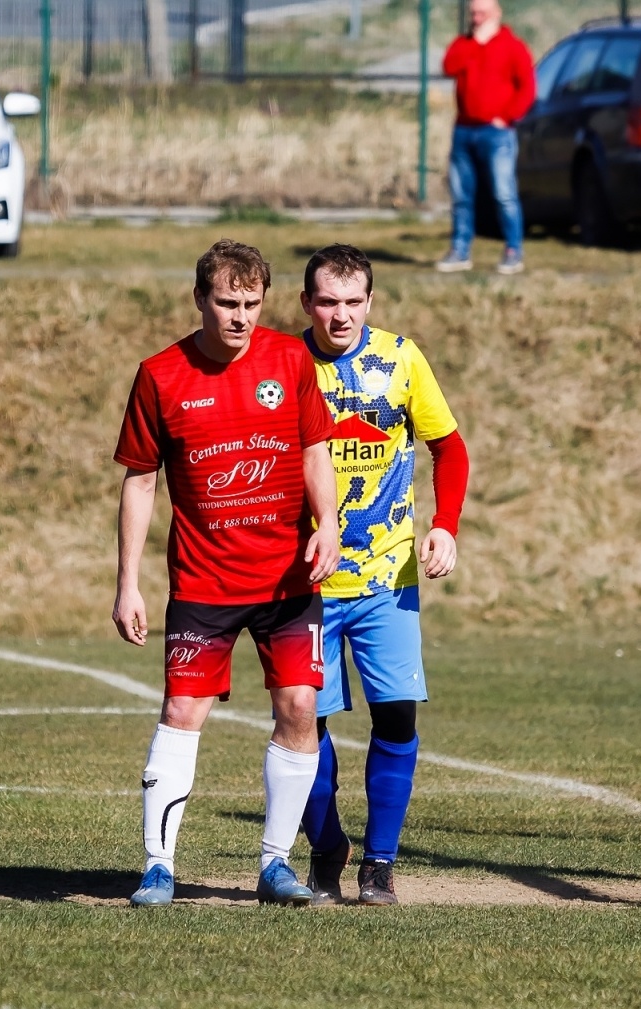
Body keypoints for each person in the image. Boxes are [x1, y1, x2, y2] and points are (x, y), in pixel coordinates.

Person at [112, 238, 340, 908]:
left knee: (300, 706)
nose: (239, 317)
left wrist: (326, 522)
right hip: (204, 582)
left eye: (250, 302)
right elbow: (140, 482)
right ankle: (158, 866)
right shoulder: (161, 375)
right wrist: (127, 582)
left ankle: (275, 865)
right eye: (225, 303)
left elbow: (313, 448)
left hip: (287, 582)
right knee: (184, 709)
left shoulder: (291, 359)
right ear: (199, 299)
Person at [294, 244, 469, 906]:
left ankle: (380, 865)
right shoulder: (284, 366)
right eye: (328, 302)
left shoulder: (400, 359)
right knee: (302, 723)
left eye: (353, 302)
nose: (341, 316)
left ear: (369, 301)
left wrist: (445, 524)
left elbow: (449, 449)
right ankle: (326, 847)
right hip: (302, 582)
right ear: (307, 303)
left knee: (395, 719)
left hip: (386, 577)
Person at [439, 0, 534, 276]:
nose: (476, 19)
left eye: (482, 13)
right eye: (473, 14)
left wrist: (507, 117)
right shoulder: (465, 43)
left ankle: (513, 250)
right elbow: (449, 66)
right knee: (461, 195)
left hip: (497, 133)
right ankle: (460, 250)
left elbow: (527, 87)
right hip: (464, 130)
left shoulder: (512, 46)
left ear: (496, 14)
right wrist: (474, 44)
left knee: (504, 194)